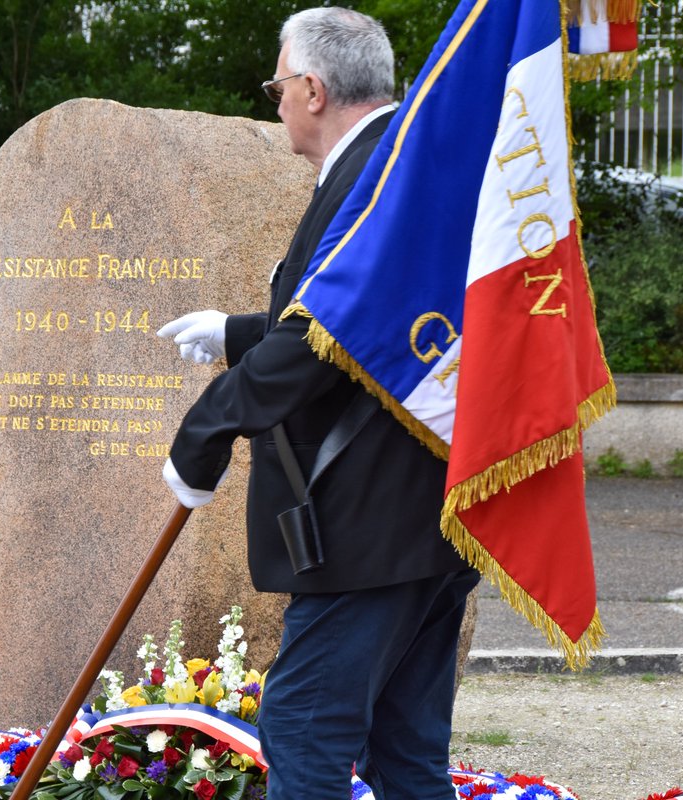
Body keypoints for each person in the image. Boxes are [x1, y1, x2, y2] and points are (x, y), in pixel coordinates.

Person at [157, 7, 479, 800]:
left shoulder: (375, 178)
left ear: (312, 88)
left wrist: (204, 431)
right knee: (404, 754)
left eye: (277, 85)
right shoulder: (404, 162)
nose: (275, 101)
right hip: (425, 517)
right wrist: (241, 333)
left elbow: (324, 341)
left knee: (303, 724)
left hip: (368, 523)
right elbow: (367, 323)